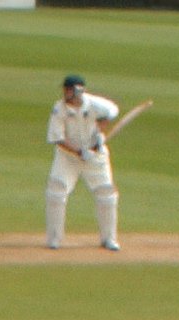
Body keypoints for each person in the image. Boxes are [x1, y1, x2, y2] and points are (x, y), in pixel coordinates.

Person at [48, 75, 122, 253]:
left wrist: (103, 123)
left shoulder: (95, 104)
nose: (65, 93)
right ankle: (54, 239)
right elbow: (57, 138)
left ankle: (109, 239)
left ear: (78, 91)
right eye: (64, 89)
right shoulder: (59, 109)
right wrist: (80, 152)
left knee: (106, 193)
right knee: (56, 191)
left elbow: (113, 110)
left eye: (68, 89)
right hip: (67, 157)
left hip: (96, 157)